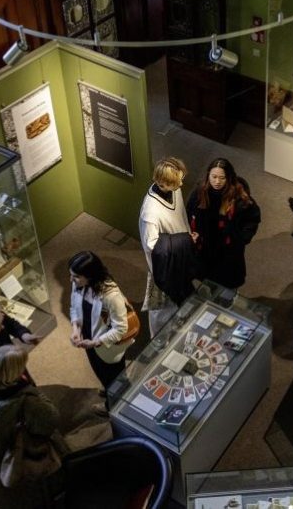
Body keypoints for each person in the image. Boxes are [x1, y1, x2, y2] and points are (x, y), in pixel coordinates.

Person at [0, 345, 65, 509]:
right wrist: (34, 392)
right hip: (22, 456)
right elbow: (50, 421)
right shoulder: (26, 402)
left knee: (3, 491)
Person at [68, 251, 130, 416]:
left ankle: (113, 406)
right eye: (71, 275)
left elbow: (121, 329)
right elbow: (74, 306)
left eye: (75, 276)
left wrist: (96, 342)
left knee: (115, 377)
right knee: (100, 371)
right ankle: (109, 389)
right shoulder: (78, 284)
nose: (71, 280)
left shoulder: (112, 296)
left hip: (106, 344)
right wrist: (76, 328)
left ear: (90, 275)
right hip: (90, 338)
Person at [139, 157, 195, 336]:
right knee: (161, 307)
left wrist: (187, 237)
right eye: (178, 181)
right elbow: (152, 245)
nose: (181, 183)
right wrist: (184, 240)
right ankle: (158, 339)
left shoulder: (175, 189)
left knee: (183, 293)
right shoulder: (150, 212)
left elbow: (181, 215)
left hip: (181, 252)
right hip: (165, 264)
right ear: (163, 183)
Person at [186, 158, 261, 290]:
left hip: (227, 252)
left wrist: (241, 239)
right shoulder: (199, 193)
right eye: (214, 177)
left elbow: (252, 219)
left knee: (227, 287)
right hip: (205, 248)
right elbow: (188, 213)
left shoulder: (239, 198)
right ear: (208, 175)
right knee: (207, 282)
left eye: (222, 178)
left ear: (229, 178)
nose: (217, 182)